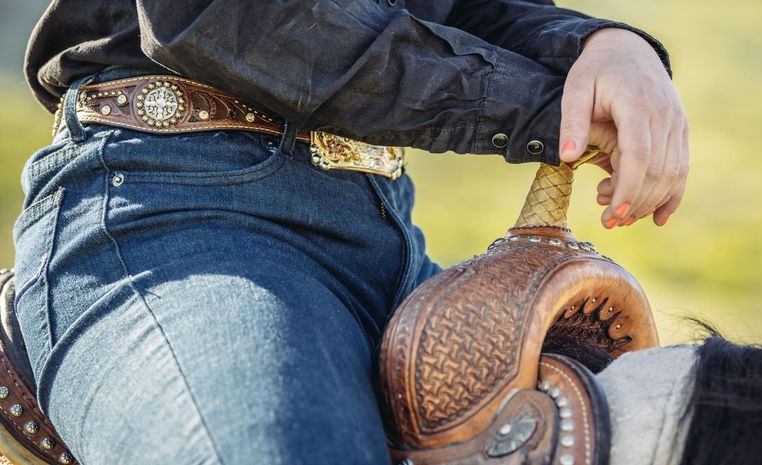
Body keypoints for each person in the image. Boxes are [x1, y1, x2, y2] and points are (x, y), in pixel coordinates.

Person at [16, 1, 689, 464]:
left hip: (383, 226)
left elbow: (464, 9)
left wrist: (602, 49)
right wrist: (548, 107)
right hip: (176, 211)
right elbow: (219, 18)